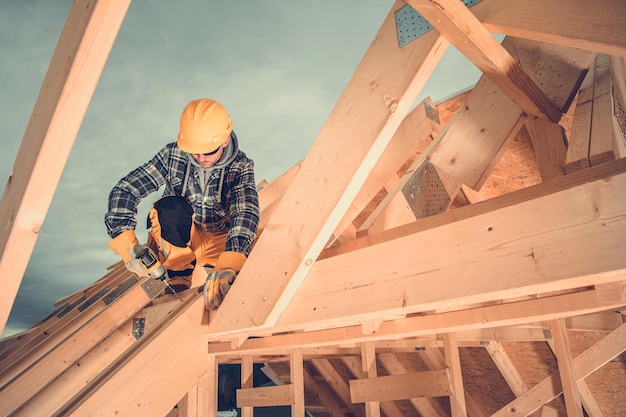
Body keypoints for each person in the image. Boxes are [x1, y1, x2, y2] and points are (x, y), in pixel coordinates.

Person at [105, 98, 260, 308]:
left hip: (221, 240)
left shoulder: (241, 166)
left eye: (209, 151)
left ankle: (225, 272)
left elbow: (245, 212)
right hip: (185, 239)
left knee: (258, 252)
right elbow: (126, 190)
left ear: (224, 140)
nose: (201, 158)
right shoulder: (172, 155)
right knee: (169, 207)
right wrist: (127, 245)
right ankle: (179, 275)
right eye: (195, 151)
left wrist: (230, 264)